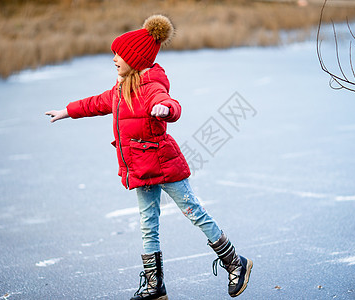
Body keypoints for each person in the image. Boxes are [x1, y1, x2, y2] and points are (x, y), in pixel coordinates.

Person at [45, 15, 252, 299]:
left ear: (136, 58)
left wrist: (166, 111)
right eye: (114, 54)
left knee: (194, 212)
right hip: (140, 169)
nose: (115, 58)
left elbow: (170, 102)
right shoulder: (120, 91)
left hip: (164, 165)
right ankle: (155, 286)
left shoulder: (152, 85)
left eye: (119, 54)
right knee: (147, 224)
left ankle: (235, 262)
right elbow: (95, 103)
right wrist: (67, 111)